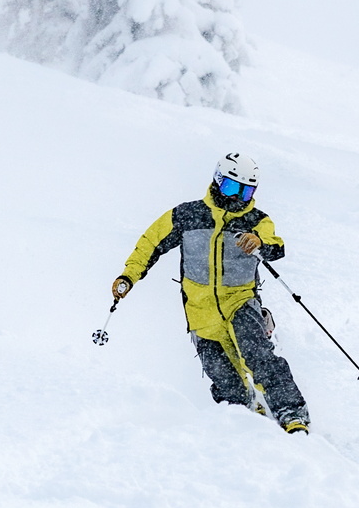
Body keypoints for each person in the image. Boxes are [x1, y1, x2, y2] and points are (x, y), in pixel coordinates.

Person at [111, 152, 311, 433]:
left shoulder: (255, 219)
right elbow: (149, 243)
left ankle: (292, 413)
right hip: (200, 313)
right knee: (229, 386)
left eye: (246, 191)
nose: (237, 198)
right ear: (218, 182)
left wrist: (259, 241)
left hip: (240, 302)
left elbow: (275, 245)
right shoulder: (187, 215)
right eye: (232, 188)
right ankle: (245, 417)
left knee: (259, 358)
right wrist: (128, 276)